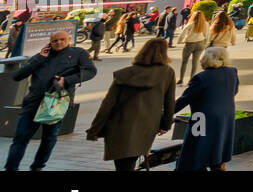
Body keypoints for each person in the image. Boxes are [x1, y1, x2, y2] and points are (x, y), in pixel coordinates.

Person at [4, 27, 96, 171]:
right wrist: (40, 59)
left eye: (62, 39)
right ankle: (11, 168)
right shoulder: (41, 56)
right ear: (50, 42)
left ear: (69, 40)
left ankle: (38, 166)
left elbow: (91, 71)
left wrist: (67, 80)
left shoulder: (78, 54)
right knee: (20, 139)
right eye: (54, 40)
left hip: (56, 104)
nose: (58, 42)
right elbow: (17, 76)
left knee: (49, 139)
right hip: (33, 104)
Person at [86, 38, 176, 172]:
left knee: (122, 164)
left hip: (120, 125)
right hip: (148, 126)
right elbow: (169, 102)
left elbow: (107, 105)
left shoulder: (125, 74)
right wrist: (166, 124)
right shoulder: (167, 73)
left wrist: (94, 130)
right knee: (131, 161)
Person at [174, 46, 239, 171]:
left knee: (194, 154)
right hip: (225, 119)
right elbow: (234, 91)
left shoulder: (201, 78)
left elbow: (184, 99)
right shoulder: (232, 72)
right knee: (217, 154)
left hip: (201, 121)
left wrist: (164, 115)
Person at [176, 9, 210, 84]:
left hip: (189, 43)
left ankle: (181, 79)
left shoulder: (190, 24)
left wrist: (179, 41)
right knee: (195, 62)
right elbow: (207, 34)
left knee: (184, 62)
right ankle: (192, 79)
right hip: (200, 43)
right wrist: (205, 43)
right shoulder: (205, 24)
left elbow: (182, 34)